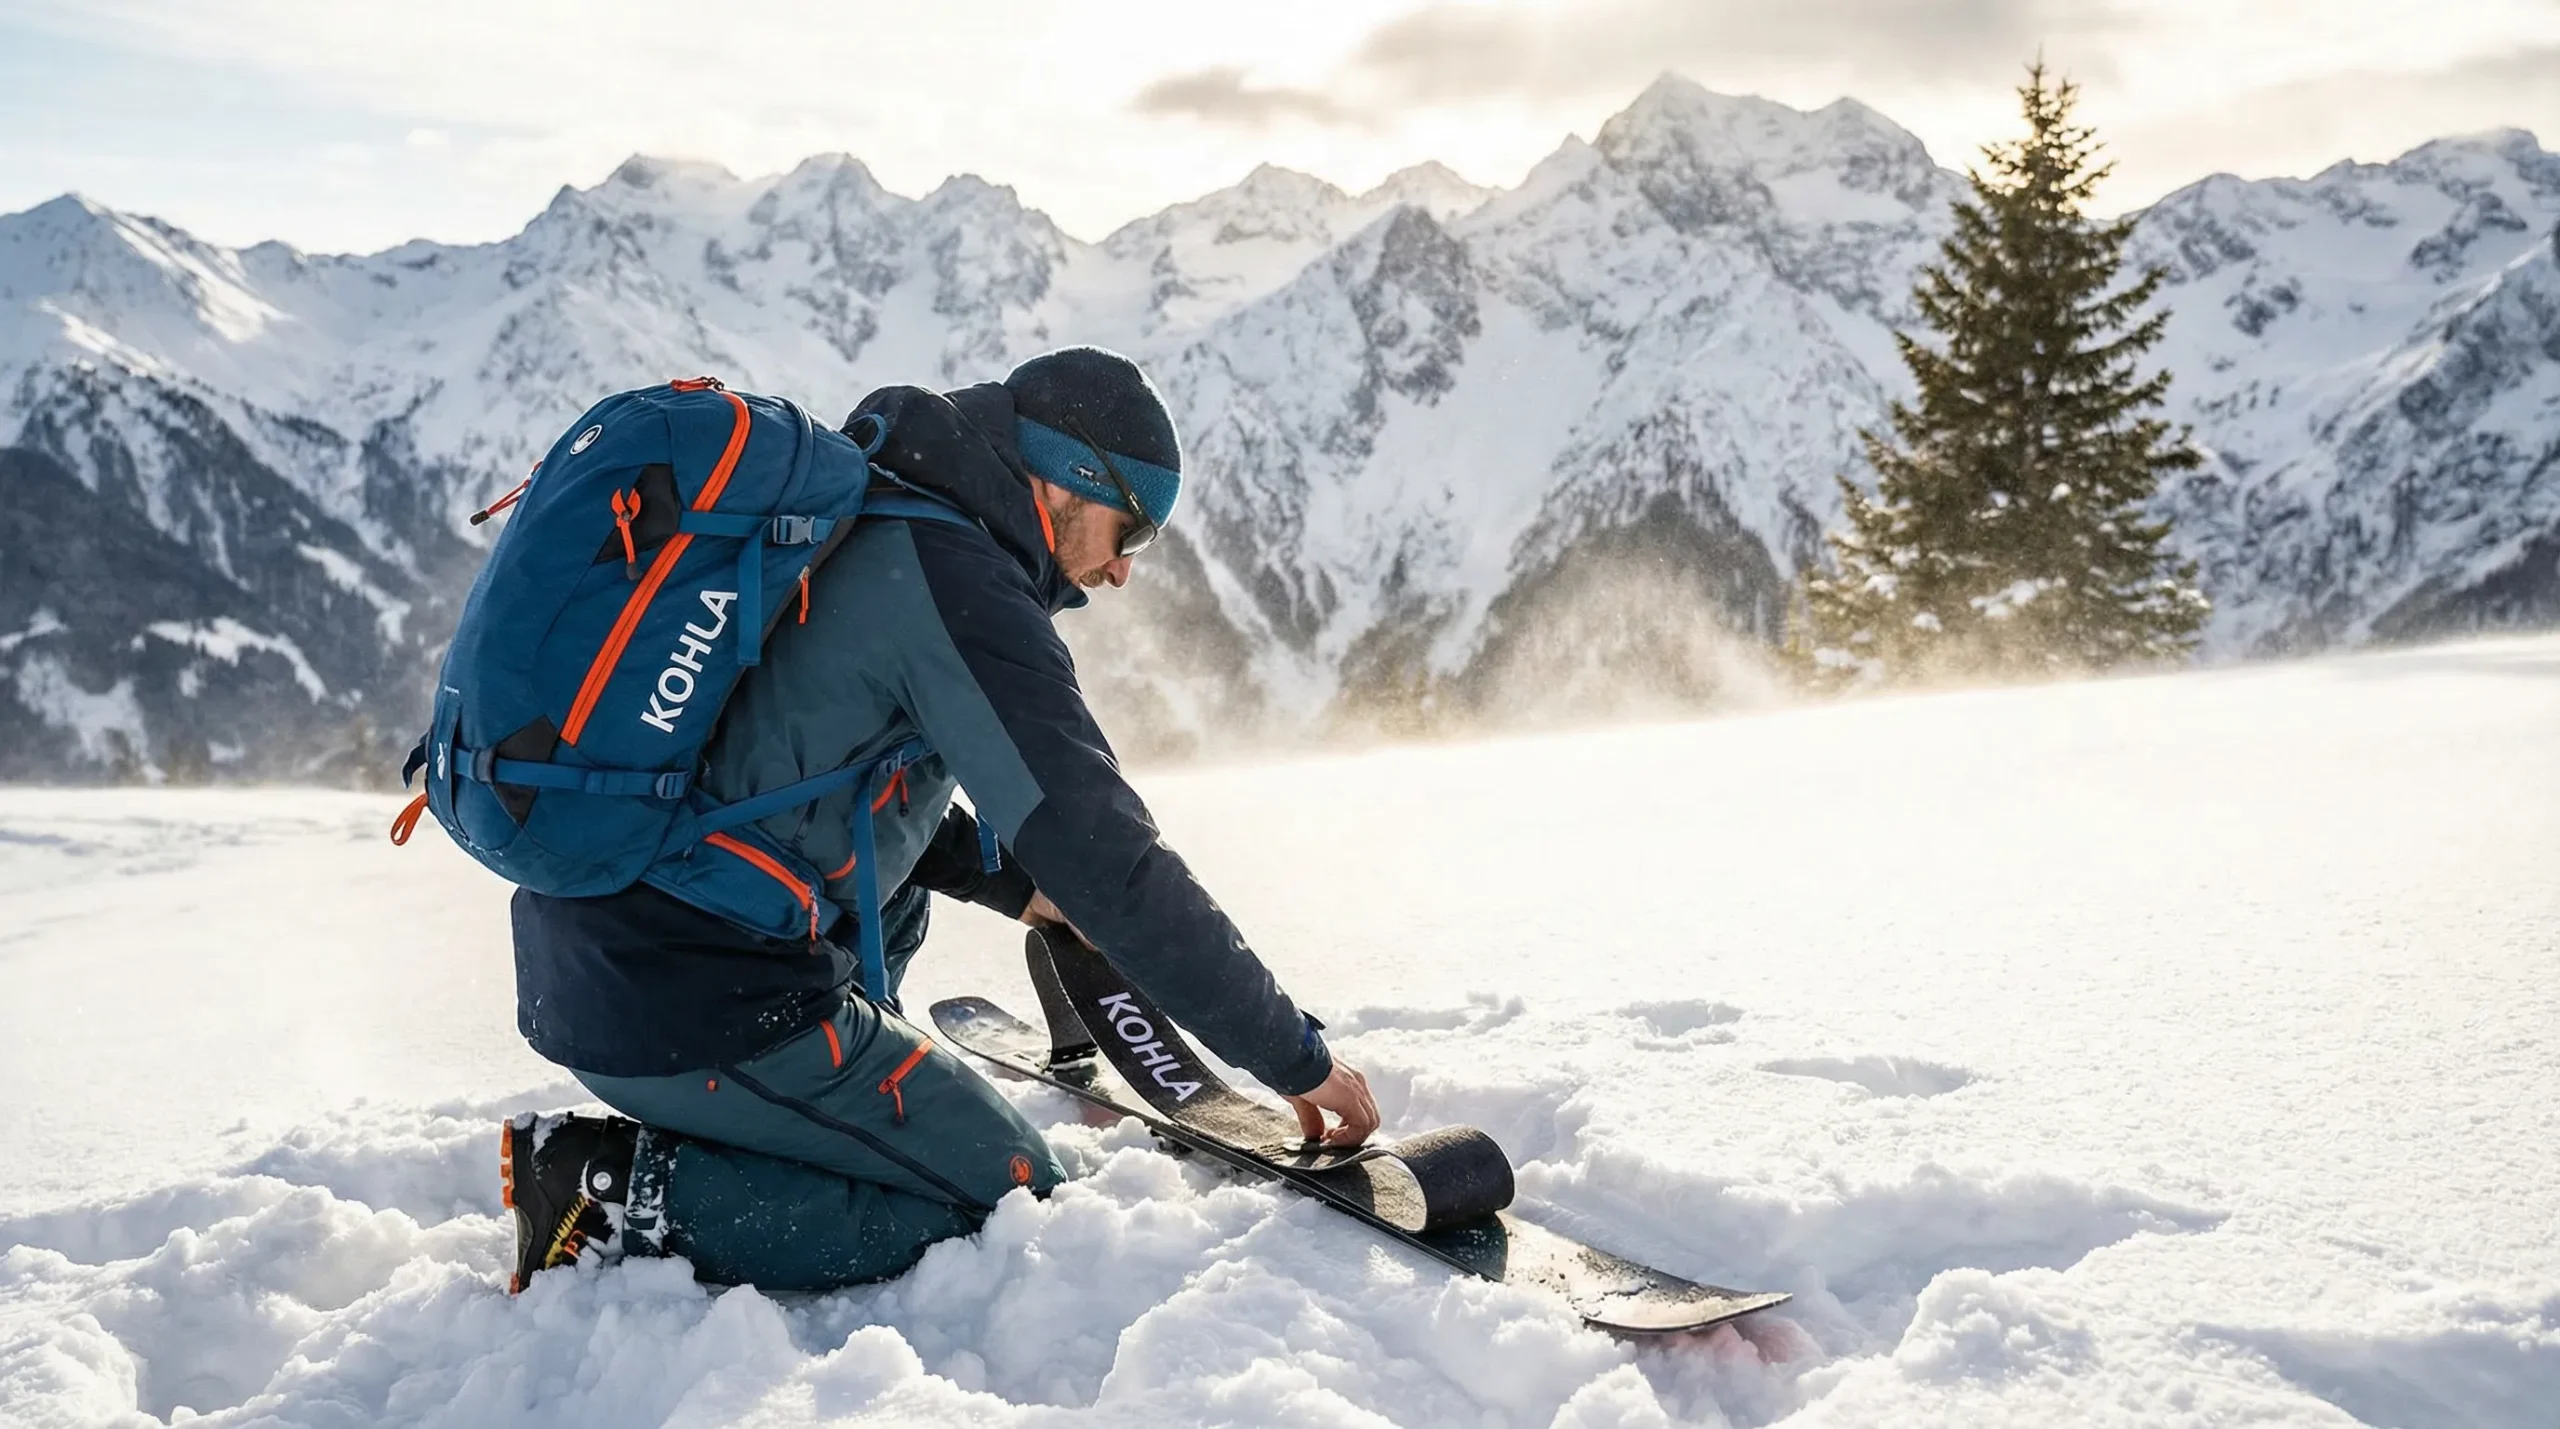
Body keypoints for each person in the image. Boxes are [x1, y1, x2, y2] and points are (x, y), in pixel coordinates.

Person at [497, 347, 1378, 1294]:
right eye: (1132, 530)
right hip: (696, 998)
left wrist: (1024, 887)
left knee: (902, 894)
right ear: (1068, 479)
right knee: (1006, 1198)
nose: (1123, 571)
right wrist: (1291, 1054)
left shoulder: (881, 512)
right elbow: (1108, 857)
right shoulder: (957, 581)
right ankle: (601, 1193)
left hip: (603, 955)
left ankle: (834, 1112)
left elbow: (824, 776)